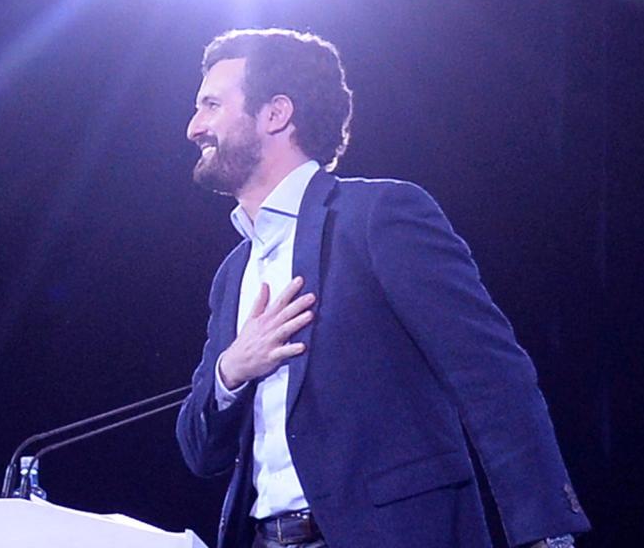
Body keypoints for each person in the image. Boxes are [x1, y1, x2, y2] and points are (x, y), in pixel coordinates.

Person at [175, 28, 589, 548]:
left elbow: (492, 377)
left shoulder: (379, 217)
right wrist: (231, 370)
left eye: (211, 105)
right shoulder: (233, 274)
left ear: (276, 114)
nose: (194, 127)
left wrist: (547, 535)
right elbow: (199, 450)